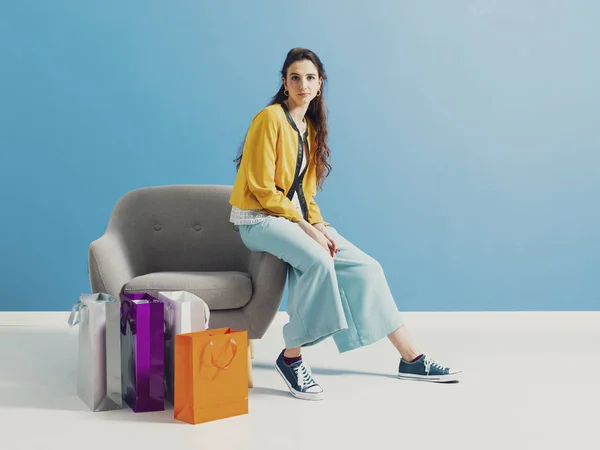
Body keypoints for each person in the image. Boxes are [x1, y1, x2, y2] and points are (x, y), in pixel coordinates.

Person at [229, 47, 461, 401]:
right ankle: (292, 358)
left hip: (294, 219)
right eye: (295, 78)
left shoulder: (309, 128)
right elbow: (262, 190)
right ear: (284, 83)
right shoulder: (269, 119)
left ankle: (411, 359)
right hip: (259, 219)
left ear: (320, 84)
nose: (303, 84)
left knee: (367, 267)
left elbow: (305, 195)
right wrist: (307, 229)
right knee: (319, 259)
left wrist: (318, 225)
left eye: (310, 78)